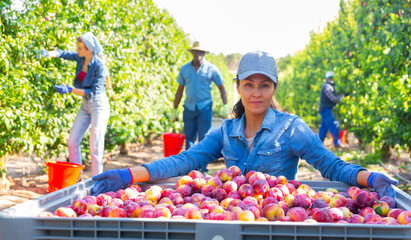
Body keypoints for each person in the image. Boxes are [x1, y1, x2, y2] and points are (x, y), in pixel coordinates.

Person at [92, 51, 398, 199]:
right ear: (238, 87)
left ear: (274, 88)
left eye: (264, 85)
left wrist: (369, 178)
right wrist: (130, 173)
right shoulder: (226, 132)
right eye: (249, 84)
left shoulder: (291, 129)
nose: (256, 93)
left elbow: (331, 166)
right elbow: (186, 160)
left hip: (280, 220)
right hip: (232, 218)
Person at [41, 32, 111, 176]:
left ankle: (96, 183)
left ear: (89, 49)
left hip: (98, 105)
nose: (77, 51)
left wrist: (69, 89)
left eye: (80, 48)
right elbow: (63, 53)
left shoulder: (99, 66)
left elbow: (92, 92)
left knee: (95, 147)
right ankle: (76, 180)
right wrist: (48, 53)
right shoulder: (81, 58)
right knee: (72, 142)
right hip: (85, 105)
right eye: (77, 48)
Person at [172, 41, 229, 173]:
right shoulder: (184, 69)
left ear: (203, 54)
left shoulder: (211, 69)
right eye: (196, 52)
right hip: (189, 107)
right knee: (189, 138)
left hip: (205, 107)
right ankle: (189, 167)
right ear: (192, 53)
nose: (198, 54)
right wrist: (174, 108)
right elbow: (180, 89)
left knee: (204, 137)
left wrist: (225, 105)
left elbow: (221, 88)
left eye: (200, 52)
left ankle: (203, 168)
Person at [318, 71, 348, 149]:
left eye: (331, 77)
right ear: (326, 78)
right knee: (334, 125)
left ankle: (318, 144)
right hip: (325, 109)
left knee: (324, 128)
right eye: (330, 78)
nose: (331, 79)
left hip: (325, 109)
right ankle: (337, 143)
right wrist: (342, 96)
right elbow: (333, 99)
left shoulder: (330, 86)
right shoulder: (327, 87)